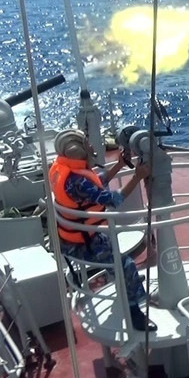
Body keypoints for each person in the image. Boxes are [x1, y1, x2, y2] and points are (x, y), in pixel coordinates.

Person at [49, 128, 156, 332]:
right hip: (81, 244)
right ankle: (136, 314)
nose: (90, 145)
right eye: (86, 142)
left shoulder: (67, 172)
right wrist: (138, 176)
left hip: (78, 236)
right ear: (76, 150)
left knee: (115, 256)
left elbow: (98, 181)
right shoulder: (77, 181)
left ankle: (125, 281)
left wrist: (119, 165)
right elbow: (113, 200)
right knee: (125, 264)